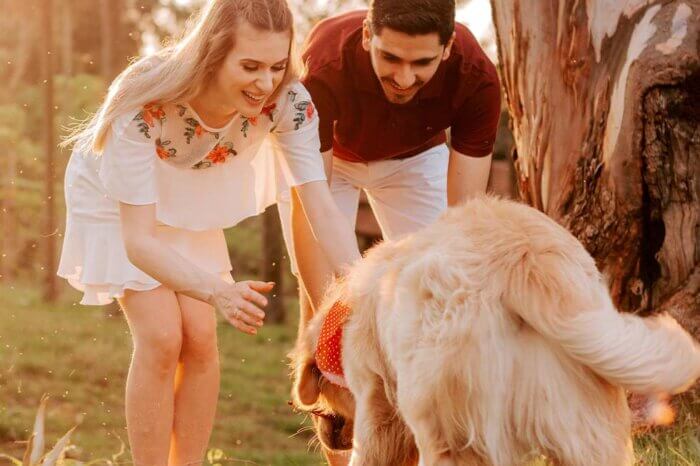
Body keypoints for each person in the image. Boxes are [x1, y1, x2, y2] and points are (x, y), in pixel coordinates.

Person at [57, 1, 359, 465]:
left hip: (190, 193)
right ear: (213, 54)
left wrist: (364, 289)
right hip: (117, 199)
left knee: (199, 335)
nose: (265, 82)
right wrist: (219, 291)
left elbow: (320, 207)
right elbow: (138, 240)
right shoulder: (145, 99)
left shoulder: (289, 101)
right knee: (162, 335)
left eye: (277, 66)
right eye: (250, 66)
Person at [280, 0, 501, 339]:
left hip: (414, 159)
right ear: (368, 35)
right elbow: (314, 204)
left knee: (436, 283)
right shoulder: (323, 64)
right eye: (391, 58)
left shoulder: (476, 77)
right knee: (326, 308)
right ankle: (315, 380)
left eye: (422, 62)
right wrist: (335, 311)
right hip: (332, 163)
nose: (404, 77)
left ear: (448, 47)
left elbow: (462, 224)